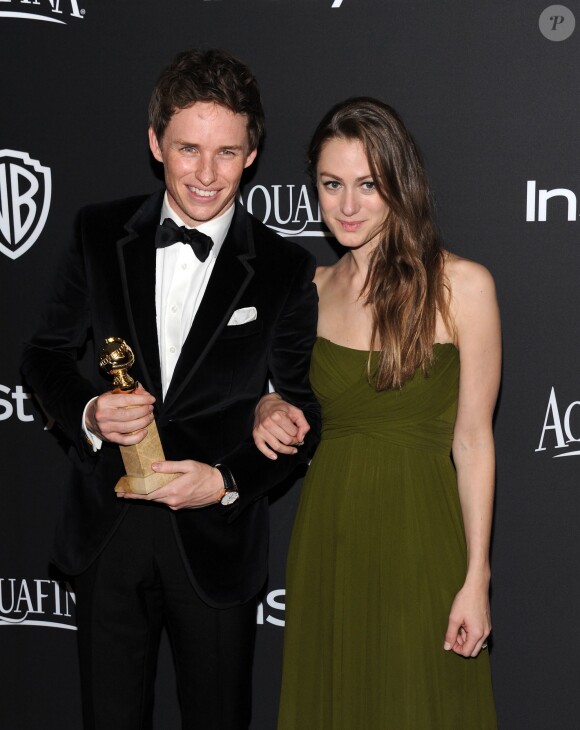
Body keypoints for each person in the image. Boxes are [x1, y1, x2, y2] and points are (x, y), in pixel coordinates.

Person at [21, 48, 320, 730]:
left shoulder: (283, 267)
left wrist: (226, 481)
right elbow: (43, 356)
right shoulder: (99, 232)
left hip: (214, 546)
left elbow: (301, 412)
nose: (207, 174)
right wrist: (91, 411)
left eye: (227, 152)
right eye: (188, 149)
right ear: (156, 143)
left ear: (252, 153)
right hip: (109, 529)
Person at [253, 97, 500, 729]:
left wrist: (476, 577)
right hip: (329, 533)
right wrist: (267, 403)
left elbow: (473, 441)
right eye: (332, 184)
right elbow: (275, 396)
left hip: (422, 531)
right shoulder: (306, 290)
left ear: (399, 184)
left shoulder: (462, 286)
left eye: (368, 185)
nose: (347, 205)